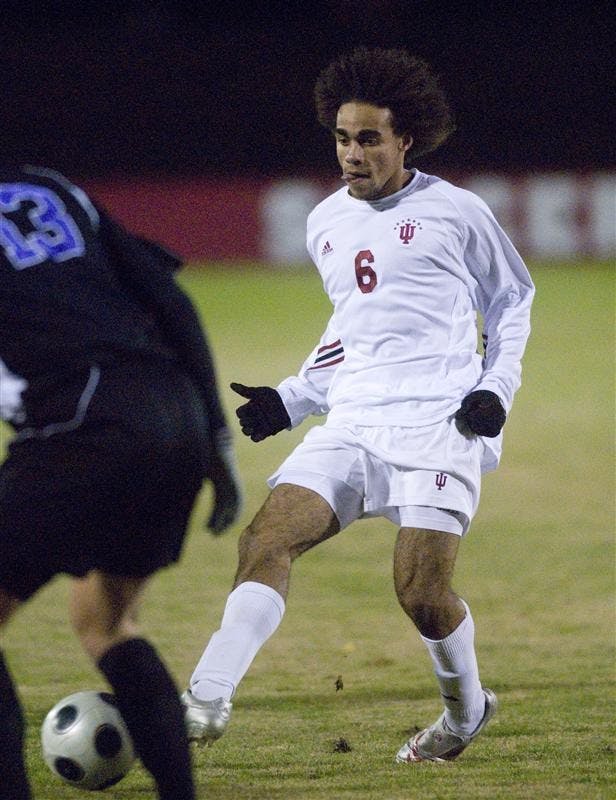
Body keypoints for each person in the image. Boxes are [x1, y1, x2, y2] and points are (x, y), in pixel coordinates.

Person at [183, 46, 534, 763]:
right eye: (343, 138)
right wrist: (293, 397)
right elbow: (350, 331)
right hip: (355, 421)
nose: (351, 153)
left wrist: (493, 389)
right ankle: (206, 696)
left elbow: (512, 301)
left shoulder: (456, 211)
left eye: (369, 138)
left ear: (407, 140)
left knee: (422, 593)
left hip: (439, 423)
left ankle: (466, 712)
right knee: (265, 541)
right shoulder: (325, 223)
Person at [0, 165, 242, 799]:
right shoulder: (51, 188)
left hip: (80, 423)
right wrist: (215, 438)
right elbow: (169, 299)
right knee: (106, 621)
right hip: (174, 412)